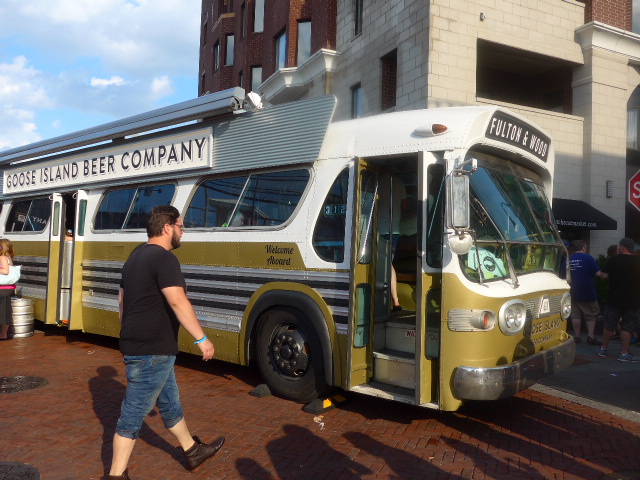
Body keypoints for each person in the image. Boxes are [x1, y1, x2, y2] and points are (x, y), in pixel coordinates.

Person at [108, 205, 225, 480]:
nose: (183, 232)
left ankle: (192, 451)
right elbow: (177, 300)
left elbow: (122, 300)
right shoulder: (164, 258)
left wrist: (129, 332)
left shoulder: (135, 256)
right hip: (153, 349)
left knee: (170, 403)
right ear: (168, 227)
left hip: (148, 347)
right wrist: (202, 339)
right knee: (132, 416)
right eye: (181, 227)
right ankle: (114, 475)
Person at [596, 238, 640, 362]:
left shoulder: (614, 260)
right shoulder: (638, 261)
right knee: (628, 327)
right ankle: (624, 353)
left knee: (609, 325)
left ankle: (603, 349)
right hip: (633, 300)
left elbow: (604, 276)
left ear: (622, 247)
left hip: (614, 298)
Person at [567, 240, 603, 345]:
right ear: (584, 248)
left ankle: (577, 336)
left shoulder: (568, 259)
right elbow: (598, 273)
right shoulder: (589, 258)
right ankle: (591, 337)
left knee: (575, 315)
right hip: (587, 292)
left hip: (572, 292)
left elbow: (563, 276)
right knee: (591, 315)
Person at [0, 238, 16, 340]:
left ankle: (3, 334)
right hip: (8, 288)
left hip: (2, 288)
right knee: (5, 311)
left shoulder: (2, 257)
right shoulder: (9, 257)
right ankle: (4, 334)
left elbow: (5, 271)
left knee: (3, 311)